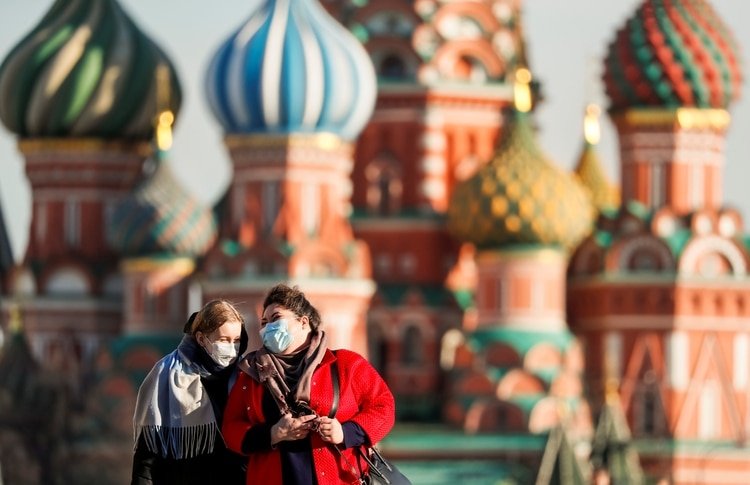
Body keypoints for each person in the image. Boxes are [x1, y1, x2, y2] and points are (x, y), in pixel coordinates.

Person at [222, 284, 396, 484]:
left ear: (303, 322)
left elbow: (384, 406)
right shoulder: (251, 374)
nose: (268, 327)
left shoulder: (346, 364)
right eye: (264, 322)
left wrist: (345, 432)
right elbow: (230, 427)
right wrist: (273, 433)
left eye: (276, 318)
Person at [131, 299, 248, 485]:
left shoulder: (245, 375)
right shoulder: (165, 373)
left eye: (237, 341)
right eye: (224, 340)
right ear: (201, 338)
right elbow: (148, 452)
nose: (232, 348)